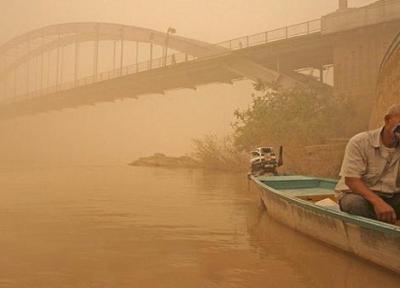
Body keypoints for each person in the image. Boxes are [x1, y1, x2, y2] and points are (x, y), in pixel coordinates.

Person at [335, 104, 400, 224]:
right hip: (359, 195)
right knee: (355, 205)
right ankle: (380, 234)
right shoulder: (360, 142)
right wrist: (379, 203)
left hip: (392, 196)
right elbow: (351, 180)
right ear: (387, 120)